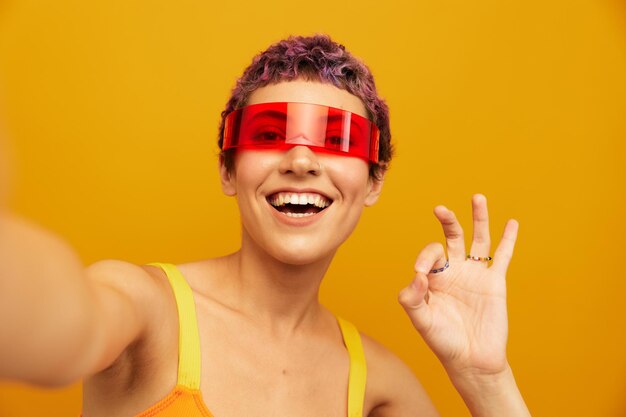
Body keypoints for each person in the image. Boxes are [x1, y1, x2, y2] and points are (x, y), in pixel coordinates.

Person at [0, 34, 531, 416]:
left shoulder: (379, 386)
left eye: (337, 139)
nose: (300, 160)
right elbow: (62, 321)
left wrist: (486, 380)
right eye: (269, 134)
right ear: (228, 170)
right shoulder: (144, 308)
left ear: (373, 182)